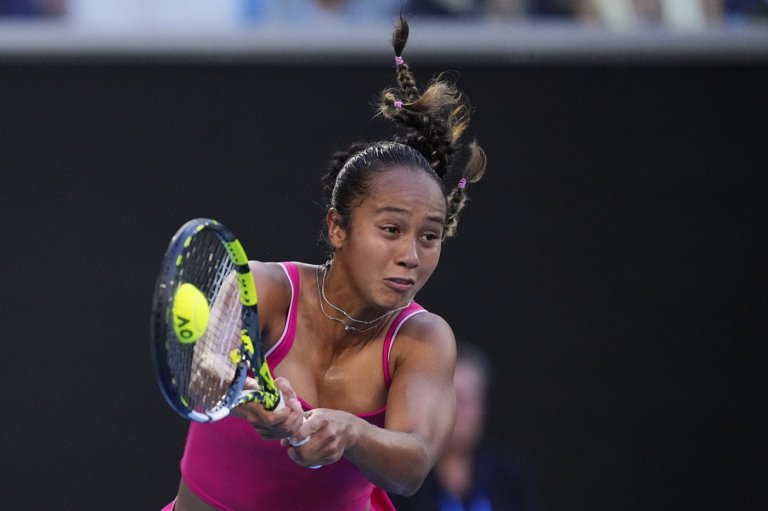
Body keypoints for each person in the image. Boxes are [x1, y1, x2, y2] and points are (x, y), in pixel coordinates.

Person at [162, 16, 487, 511]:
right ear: (338, 227)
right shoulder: (264, 288)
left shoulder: (423, 339)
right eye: (391, 229)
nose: (410, 256)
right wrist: (243, 398)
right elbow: (203, 374)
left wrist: (350, 432)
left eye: (430, 236)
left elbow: (415, 463)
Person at [390, 342, 537, 511]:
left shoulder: (510, 476)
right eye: (447, 400)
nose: (455, 413)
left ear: (482, 407)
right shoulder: (403, 480)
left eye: (464, 401)